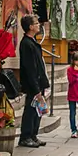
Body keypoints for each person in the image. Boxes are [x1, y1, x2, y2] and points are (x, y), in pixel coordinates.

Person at [17, 14, 50, 148]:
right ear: (30, 27)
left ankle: (33, 135)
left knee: (37, 111)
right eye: (36, 23)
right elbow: (30, 68)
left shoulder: (33, 42)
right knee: (30, 111)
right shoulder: (26, 44)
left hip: (39, 82)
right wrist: (36, 88)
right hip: (32, 84)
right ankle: (25, 136)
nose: (38, 25)